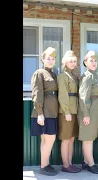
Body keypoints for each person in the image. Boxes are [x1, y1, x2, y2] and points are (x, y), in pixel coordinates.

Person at [30, 47, 59, 176]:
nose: (51, 60)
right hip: (44, 112)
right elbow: (37, 94)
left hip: (52, 111)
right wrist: (40, 113)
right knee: (49, 139)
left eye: (53, 58)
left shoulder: (53, 73)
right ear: (42, 59)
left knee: (47, 140)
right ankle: (43, 166)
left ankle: (45, 164)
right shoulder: (39, 73)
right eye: (48, 58)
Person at [78, 50, 98, 174]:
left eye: (95, 60)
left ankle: (86, 162)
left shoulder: (94, 75)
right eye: (90, 60)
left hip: (94, 110)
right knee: (88, 138)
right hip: (89, 110)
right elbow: (83, 96)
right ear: (85, 62)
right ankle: (91, 164)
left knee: (90, 137)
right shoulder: (87, 76)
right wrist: (86, 114)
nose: (93, 62)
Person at [57, 50, 81, 173]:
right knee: (66, 139)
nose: (73, 63)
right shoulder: (63, 76)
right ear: (65, 62)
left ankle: (70, 163)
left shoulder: (74, 76)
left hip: (74, 110)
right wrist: (66, 111)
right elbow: (63, 95)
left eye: (74, 61)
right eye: (70, 61)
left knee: (71, 138)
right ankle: (65, 165)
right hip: (66, 111)